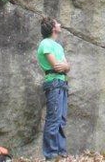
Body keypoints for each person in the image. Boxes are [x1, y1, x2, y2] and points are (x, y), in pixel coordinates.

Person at [37, 17, 71, 160]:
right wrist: (64, 67)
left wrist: (65, 67)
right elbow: (57, 66)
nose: (60, 24)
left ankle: (61, 153)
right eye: (57, 23)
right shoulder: (45, 43)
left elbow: (66, 67)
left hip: (62, 84)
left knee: (61, 119)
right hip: (54, 84)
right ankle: (51, 155)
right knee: (53, 119)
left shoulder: (58, 46)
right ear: (52, 28)